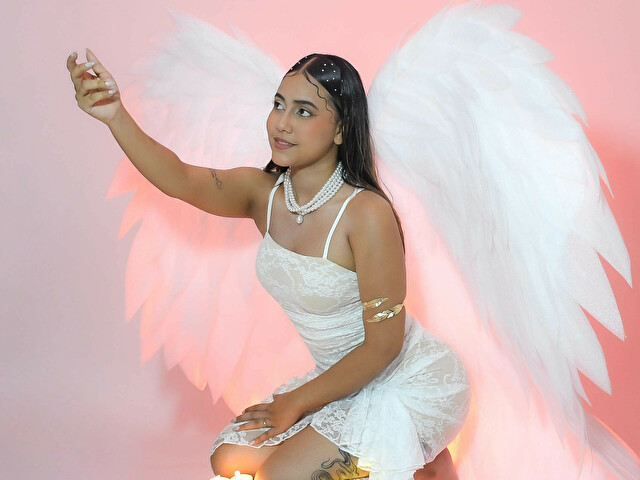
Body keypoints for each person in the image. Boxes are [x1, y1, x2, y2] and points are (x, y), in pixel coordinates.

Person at [67, 49, 471, 480]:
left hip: (410, 381)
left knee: (279, 476)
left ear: (341, 129)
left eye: (304, 111)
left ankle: (418, 453)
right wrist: (114, 115)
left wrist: (295, 403)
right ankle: (420, 464)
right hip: (341, 380)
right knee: (229, 460)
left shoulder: (366, 214)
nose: (282, 123)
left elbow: (383, 347)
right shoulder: (264, 195)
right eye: (279, 105)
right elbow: (180, 178)